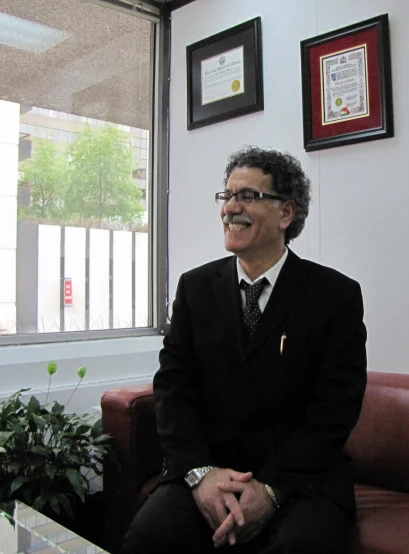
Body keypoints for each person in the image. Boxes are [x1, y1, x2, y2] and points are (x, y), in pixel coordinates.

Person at [122, 146, 367, 553]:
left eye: (248, 196)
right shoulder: (195, 288)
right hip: (210, 470)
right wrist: (202, 474)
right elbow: (173, 389)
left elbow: (336, 409)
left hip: (300, 481)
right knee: (148, 540)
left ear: (285, 213)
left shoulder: (334, 295)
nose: (231, 208)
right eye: (227, 195)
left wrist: (270, 488)